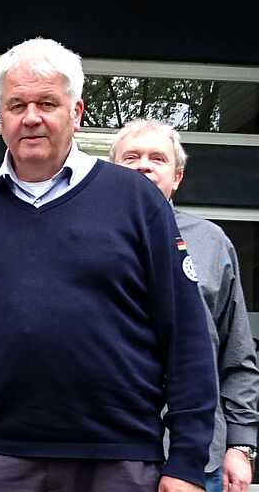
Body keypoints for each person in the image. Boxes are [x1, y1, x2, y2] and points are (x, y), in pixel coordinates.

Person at [0, 38, 217, 492]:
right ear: (1, 117)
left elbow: (187, 338)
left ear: (76, 112)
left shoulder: (136, 202)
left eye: (46, 103)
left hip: (119, 462)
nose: (30, 117)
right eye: (16, 104)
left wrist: (188, 462)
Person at [110, 119, 259, 492]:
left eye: (157, 158)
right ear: (111, 173)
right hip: (105, 454)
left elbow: (237, 354)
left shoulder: (212, 242)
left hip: (198, 458)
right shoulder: (81, 239)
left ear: (176, 177)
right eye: (131, 157)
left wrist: (241, 445)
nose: (144, 165)